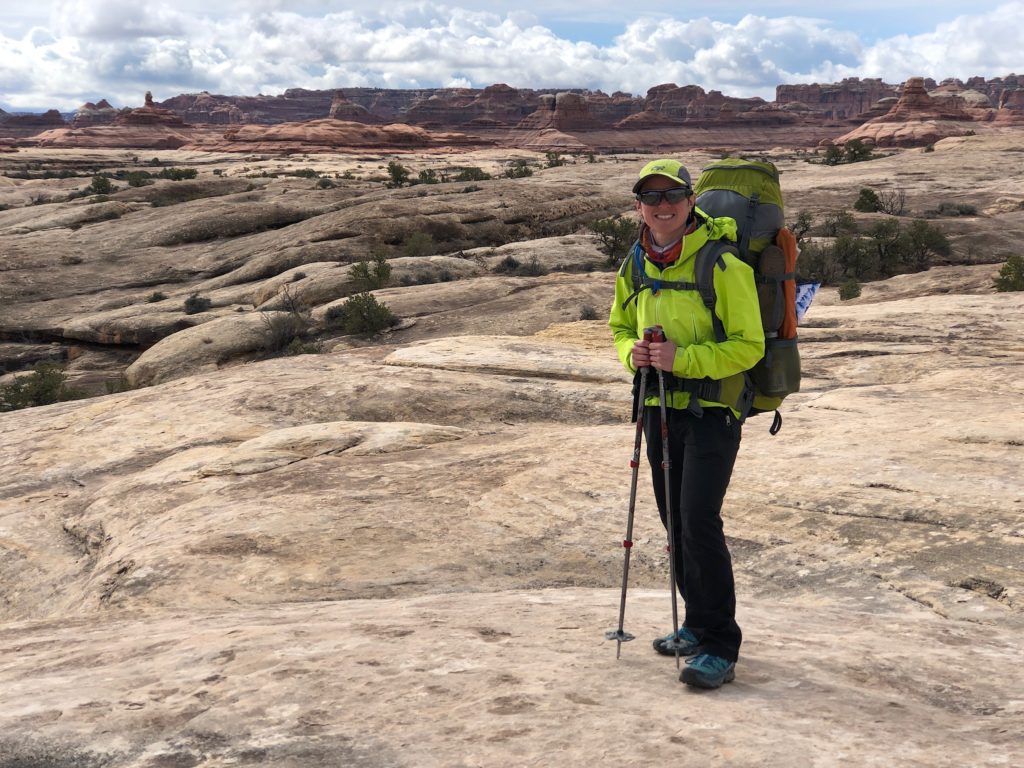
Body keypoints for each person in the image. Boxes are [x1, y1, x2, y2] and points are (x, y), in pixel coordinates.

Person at [608, 159, 765, 689]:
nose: (662, 206)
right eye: (650, 199)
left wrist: (683, 359)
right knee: (675, 521)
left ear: (691, 199)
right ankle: (696, 625)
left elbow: (748, 347)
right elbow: (618, 326)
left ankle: (720, 644)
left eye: (672, 195)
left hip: (713, 412)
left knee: (699, 521)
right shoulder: (635, 263)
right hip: (658, 409)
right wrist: (634, 355)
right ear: (638, 208)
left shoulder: (723, 265)